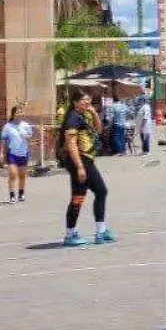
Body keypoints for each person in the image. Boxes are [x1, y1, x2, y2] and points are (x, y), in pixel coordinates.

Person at [60, 91, 114, 246]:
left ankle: (72, 233)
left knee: (78, 196)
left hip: (85, 160)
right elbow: (71, 145)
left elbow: (98, 130)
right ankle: (99, 232)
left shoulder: (81, 116)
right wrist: (80, 167)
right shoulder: (72, 118)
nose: (86, 104)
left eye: (89, 101)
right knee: (101, 191)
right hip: (81, 161)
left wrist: (94, 113)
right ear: (75, 102)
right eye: (84, 101)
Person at [0, 105, 33, 204]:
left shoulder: (26, 125)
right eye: (17, 112)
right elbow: (3, 140)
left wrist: (26, 136)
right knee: (13, 174)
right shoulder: (7, 126)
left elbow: (30, 137)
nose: (19, 114)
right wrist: (1, 153)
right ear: (13, 114)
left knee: (22, 175)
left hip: (23, 153)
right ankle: (12, 195)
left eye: (21, 112)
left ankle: (21, 193)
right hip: (12, 153)